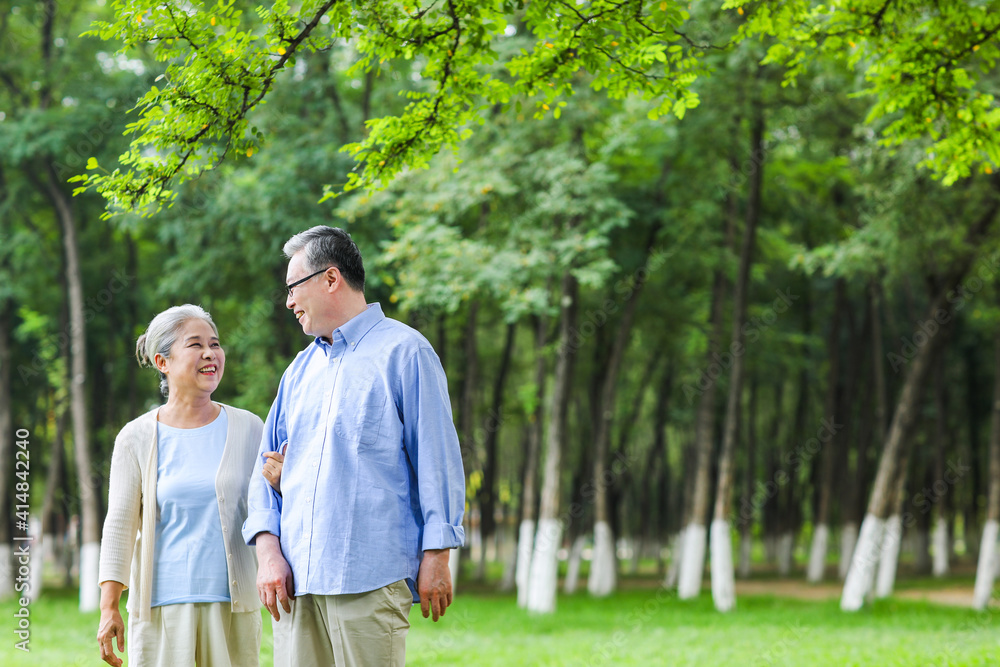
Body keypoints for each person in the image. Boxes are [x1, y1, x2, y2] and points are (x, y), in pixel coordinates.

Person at [242, 226, 466, 666]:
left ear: (330, 279)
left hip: (369, 580)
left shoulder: (406, 353)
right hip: (297, 587)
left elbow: (436, 461)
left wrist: (437, 555)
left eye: (293, 287)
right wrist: (268, 556)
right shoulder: (299, 371)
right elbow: (262, 476)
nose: (288, 301)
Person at [97, 305, 263, 667]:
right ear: (162, 361)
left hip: (234, 608)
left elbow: (270, 511)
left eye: (215, 344)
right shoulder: (136, 437)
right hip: (160, 610)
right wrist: (108, 606)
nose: (210, 353)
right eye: (195, 344)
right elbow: (120, 524)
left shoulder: (250, 428)